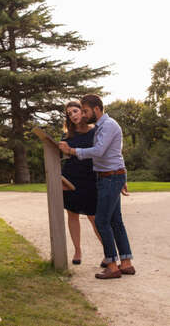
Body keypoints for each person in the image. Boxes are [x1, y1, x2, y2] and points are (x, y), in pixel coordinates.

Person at [59, 94, 135, 279]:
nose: (83, 115)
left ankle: (112, 266)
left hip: (110, 178)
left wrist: (72, 151)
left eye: (84, 111)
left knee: (101, 221)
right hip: (110, 176)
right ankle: (126, 263)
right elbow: (115, 154)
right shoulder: (103, 126)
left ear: (96, 109)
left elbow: (99, 151)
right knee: (116, 222)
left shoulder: (107, 126)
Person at [61, 101, 102, 265]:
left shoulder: (95, 132)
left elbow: (100, 153)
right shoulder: (67, 136)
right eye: (69, 114)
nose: (73, 115)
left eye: (75, 111)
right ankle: (77, 251)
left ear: (83, 111)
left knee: (94, 217)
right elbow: (60, 155)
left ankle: (109, 253)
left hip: (90, 179)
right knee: (72, 215)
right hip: (70, 178)